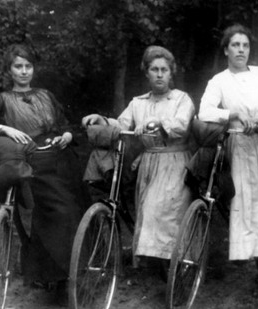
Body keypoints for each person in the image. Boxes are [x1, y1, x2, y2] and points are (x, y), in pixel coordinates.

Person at [0, 43, 90, 305]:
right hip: (35, 163)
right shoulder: (3, 99)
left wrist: (67, 135)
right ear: (10, 70)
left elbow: (64, 124)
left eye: (28, 66)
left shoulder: (46, 95)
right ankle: (54, 279)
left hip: (61, 160)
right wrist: (4, 129)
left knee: (76, 208)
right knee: (56, 213)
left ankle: (74, 277)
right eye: (18, 66)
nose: (24, 71)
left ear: (33, 68)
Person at [198, 24, 258, 297]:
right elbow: (205, 111)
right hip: (242, 150)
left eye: (245, 45)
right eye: (235, 45)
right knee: (251, 212)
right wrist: (232, 114)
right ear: (226, 49)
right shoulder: (219, 81)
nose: (241, 50)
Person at [82, 46, 194, 272]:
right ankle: (162, 265)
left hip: (175, 162)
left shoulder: (181, 99)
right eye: (154, 69)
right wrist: (102, 119)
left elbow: (181, 125)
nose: (160, 74)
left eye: (164, 69)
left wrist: (156, 123)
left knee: (163, 212)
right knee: (148, 213)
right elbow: (122, 124)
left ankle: (179, 265)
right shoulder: (138, 102)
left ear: (171, 73)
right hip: (149, 165)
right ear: (147, 73)